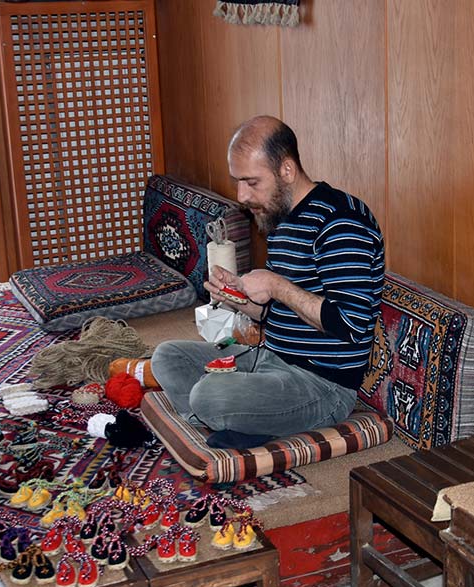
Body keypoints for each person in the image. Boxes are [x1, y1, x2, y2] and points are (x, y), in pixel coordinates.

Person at [113, 115, 385, 449]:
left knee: (209, 394)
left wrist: (275, 285)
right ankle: (236, 420)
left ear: (287, 170)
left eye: (251, 182)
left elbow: (351, 324)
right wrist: (236, 298)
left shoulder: (342, 223)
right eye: (238, 181)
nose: (242, 195)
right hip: (271, 360)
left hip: (321, 385)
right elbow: (277, 314)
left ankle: (229, 417)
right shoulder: (280, 217)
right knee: (168, 356)